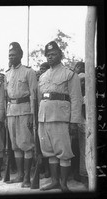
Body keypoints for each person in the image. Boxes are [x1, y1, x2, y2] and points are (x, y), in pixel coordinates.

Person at [38, 41, 82, 192]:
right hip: (44, 118)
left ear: (60, 55)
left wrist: (74, 122)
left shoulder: (69, 74)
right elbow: (40, 99)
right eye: (48, 55)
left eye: (54, 54)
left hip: (60, 117)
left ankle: (63, 183)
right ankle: (54, 181)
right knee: (49, 151)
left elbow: (76, 99)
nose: (50, 57)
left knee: (63, 152)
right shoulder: (43, 76)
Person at [5, 42, 37, 188]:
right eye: (9, 55)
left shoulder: (28, 72)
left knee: (26, 144)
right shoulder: (7, 74)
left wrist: (31, 114)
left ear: (21, 55)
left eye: (14, 55)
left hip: (25, 110)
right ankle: (19, 175)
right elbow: (7, 97)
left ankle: (27, 178)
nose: (11, 57)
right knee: (16, 145)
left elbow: (33, 95)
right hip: (11, 111)